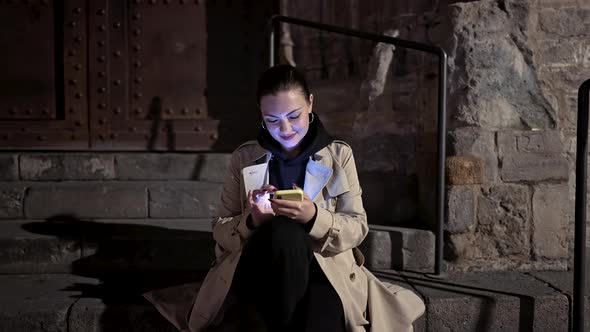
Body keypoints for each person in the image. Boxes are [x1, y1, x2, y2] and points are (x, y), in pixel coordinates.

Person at [144, 65, 425, 332]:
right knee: (282, 233)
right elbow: (220, 229)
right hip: (260, 266)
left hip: (324, 267)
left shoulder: (338, 156)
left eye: (294, 116)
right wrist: (253, 220)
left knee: (321, 314)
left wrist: (314, 216)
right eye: (272, 120)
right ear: (261, 115)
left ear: (311, 104)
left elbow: (357, 227)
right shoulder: (245, 158)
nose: (286, 129)